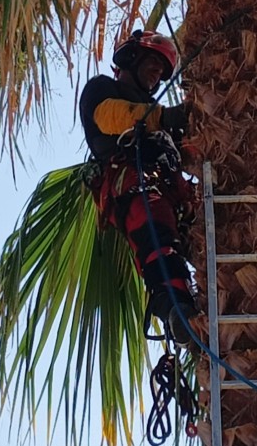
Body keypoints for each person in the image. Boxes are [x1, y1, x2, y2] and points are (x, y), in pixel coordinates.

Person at [79, 30, 198, 345]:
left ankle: (207, 307)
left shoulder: (159, 118)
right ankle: (173, 305)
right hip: (133, 178)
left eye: (163, 69)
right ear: (131, 58)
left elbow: (188, 152)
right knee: (155, 233)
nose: (158, 72)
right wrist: (169, 117)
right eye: (153, 62)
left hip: (172, 186)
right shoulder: (102, 89)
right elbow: (113, 117)